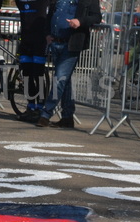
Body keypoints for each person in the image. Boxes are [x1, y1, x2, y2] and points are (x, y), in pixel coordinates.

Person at [36, 0, 101, 128]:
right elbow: (50, 15)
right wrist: (48, 34)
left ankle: (45, 114)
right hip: (55, 43)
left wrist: (80, 21)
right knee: (64, 82)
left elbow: (96, 17)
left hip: (71, 45)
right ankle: (67, 117)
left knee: (59, 79)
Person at [15, 0, 50, 122]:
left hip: (40, 42)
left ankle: (40, 108)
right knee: (26, 76)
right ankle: (30, 107)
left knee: (38, 75)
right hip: (25, 41)